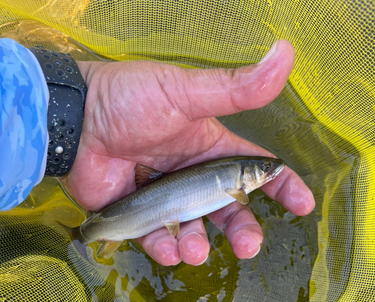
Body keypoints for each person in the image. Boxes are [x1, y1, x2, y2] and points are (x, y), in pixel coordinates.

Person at [0, 37, 315, 266]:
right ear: (244, 177)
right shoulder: (238, 188)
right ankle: (81, 236)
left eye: (264, 170)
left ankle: (83, 235)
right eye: (263, 170)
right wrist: (85, 107)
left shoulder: (238, 184)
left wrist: (83, 110)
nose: (270, 172)